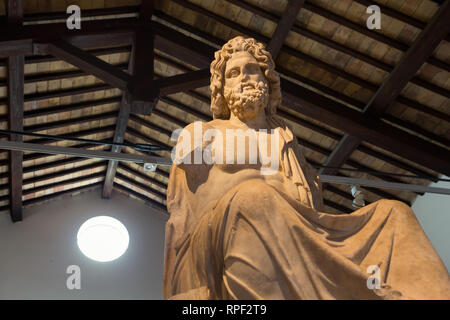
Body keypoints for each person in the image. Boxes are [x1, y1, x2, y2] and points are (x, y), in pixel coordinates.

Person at [163, 36, 450, 299]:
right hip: (219, 240)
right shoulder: (203, 132)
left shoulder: (286, 139)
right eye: (233, 74)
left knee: (394, 213)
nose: (244, 79)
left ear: (267, 80)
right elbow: (184, 214)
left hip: (299, 230)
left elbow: (312, 208)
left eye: (252, 70)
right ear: (222, 88)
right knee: (254, 196)